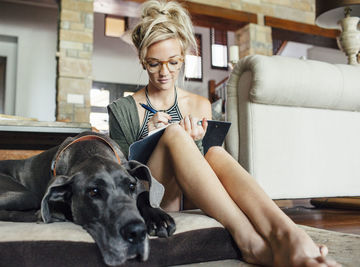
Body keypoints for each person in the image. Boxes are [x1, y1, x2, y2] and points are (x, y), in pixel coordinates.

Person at [107, 1, 340, 266]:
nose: (164, 72)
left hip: (191, 198)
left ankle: (289, 234)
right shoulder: (122, 110)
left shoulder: (199, 105)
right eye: (153, 64)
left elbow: (210, 172)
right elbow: (117, 179)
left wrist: (194, 144)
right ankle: (249, 240)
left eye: (173, 62)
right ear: (142, 59)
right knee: (173, 133)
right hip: (150, 203)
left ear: (183, 57)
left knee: (215, 152)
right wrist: (146, 139)